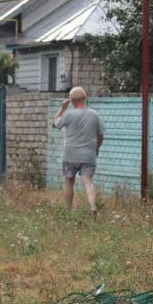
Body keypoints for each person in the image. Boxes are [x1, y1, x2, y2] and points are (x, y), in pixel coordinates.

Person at [53, 87, 105, 217]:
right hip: (88, 155)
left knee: (69, 181)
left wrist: (62, 108)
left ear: (71, 101)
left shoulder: (68, 114)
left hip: (70, 155)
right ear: (85, 98)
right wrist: (96, 148)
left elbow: (55, 124)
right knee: (88, 181)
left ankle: (69, 210)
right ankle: (93, 207)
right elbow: (100, 135)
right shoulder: (94, 114)